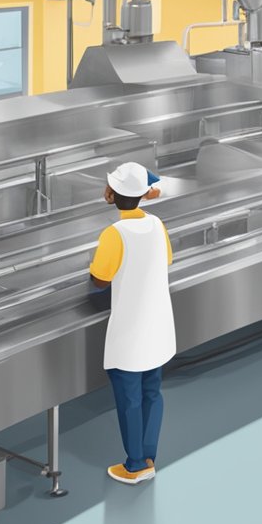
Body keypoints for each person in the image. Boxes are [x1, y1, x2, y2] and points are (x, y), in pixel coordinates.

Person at [88, 162, 176, 485]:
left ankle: (135, 464)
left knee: (130, 398)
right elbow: (166, 259)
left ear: (111, 195)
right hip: (156, 324)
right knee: (152, 390)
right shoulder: (157, 225)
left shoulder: (114, 234)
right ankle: (149, 456)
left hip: (130, 329)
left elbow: (99, 280)